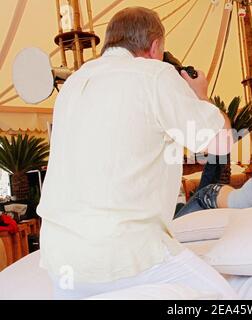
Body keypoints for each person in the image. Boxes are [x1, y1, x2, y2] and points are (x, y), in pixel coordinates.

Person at [37, 7, 236, 299]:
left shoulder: (73, 84)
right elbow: (220, 143)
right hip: (126, 253)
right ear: (155, 46)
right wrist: (200, 96)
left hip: (61, 260)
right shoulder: (155, 75)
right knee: (225, 299)